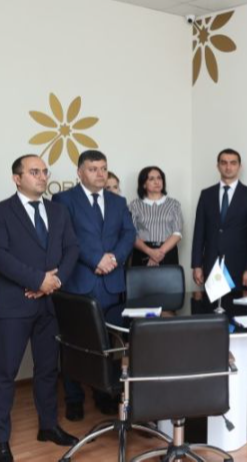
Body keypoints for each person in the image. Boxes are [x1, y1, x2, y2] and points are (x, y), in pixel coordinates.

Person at [0, 155, 79, 462]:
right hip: (13, 306)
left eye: (45, 171)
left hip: (50, 303)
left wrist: (52, 282)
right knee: (5, 374)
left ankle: (48, 426)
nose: (43, 176)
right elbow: (2, 256)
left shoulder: (59, 211)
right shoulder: (3, 212)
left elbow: (72, 248)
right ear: (17, 178)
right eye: (34, 172)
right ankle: (1, 440)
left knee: (47, 370)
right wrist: (37, 280)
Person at [52, 150, 136, 421]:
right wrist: (95, 259)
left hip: (111, 283)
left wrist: (114, 258)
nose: (100, 174)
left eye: (103, 168)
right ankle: (74, 398)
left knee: (108, 342)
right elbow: (66, 236)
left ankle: (103, 395)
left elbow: (129, 233)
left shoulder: (118, 201)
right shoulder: (64, 200)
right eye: (93, 169)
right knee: (75, 343)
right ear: (80, 172)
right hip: (79, 282)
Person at [192, 148, 247, 290]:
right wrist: (197, 265)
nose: (228, 167)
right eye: (224, 163)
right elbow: (199, 232)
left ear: (239, 166)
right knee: (211, 304)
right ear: (218, 166)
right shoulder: (206, 195)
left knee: (238, 304)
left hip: (240, 268)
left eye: (233, 163)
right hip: (211, 265)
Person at [129, 166, 183, 266]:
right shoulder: (134, 205)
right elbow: (131, 234)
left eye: (159, 178)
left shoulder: (174, 204)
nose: (157, 182)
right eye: (151, 179)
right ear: (144, 184)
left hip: (168, 251)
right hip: (142, 252)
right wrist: (150, 252)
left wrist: (158, 253)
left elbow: (177, 233)